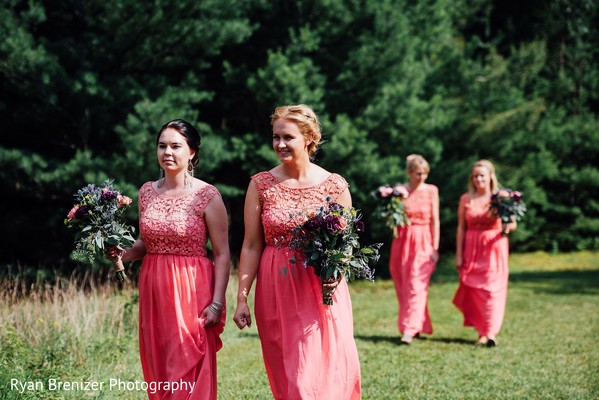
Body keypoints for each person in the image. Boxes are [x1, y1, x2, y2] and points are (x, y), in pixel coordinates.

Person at [232, 104, 361, 399]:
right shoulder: (261, 184)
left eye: (287, 137)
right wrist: (242, 299)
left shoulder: (335, 185)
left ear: (308, 138)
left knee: (324, 370)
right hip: (276, 290)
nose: (279, 144)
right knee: (291, 377)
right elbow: (252, 245)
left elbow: (346, 243)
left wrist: (337, 269)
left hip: (320, 290)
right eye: (275, 137)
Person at [108, 119, 230, 399]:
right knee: (159, 364)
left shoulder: (207, 195)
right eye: (162, 146)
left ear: (192, 152)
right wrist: (121, 254)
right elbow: (145, 244)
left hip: (192, 290)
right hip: (153, 290)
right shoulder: (146, 192)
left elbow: (222, 254)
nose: (168, 152)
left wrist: (217, 302)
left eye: (176, 146)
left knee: (186, 361)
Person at [453, 159, 517, 347]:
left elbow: (512, 223)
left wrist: (507, 228)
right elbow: (461, 228)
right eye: (475, 176)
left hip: (494, 248)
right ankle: (482, 330)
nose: (478, 179)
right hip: (472, 248)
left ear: (490, 177)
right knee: (475, 290)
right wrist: (459, 254)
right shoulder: (466, 199)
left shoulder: (500, 198)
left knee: (492, 290)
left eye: (482, 175)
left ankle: (489, 333)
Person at [387, 155, 440, 345]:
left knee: (416, 285)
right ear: (409, 173)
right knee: (403, 284)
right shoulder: (400, 192)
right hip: (402, 241)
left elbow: (435, 220)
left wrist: (435, 247)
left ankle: (409, 329)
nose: (422, 177)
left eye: (425, 173)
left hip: (424, 240)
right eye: (418, 173)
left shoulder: (432, 191)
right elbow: (392, 218)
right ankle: (417, 324)